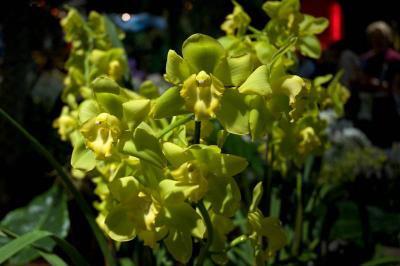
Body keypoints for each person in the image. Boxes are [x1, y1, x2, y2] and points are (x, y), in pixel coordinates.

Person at [353, 21, 400, 148]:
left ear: (388, 38)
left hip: (387, 108)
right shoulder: (365, 59)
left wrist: (374, 83)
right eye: (374, 37)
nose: (378, 41)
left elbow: (395, 88)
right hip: (367, 108)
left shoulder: (395, 59)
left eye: (381, 37)